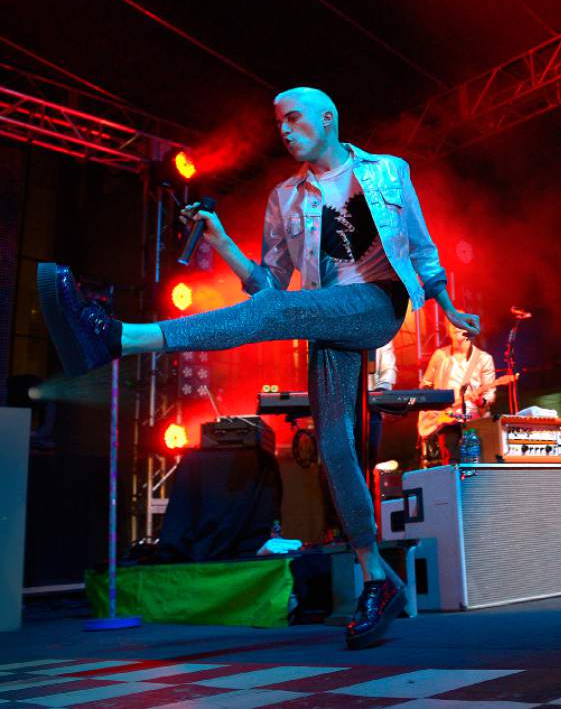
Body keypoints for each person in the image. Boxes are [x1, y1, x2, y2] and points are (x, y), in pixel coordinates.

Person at [36, 86, 480, 650]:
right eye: (278, 124)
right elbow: (268, 291)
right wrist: (221, 241)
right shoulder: (284, 200)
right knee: (336, 446)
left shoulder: (390, 171)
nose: (286, 130)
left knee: (287, 330)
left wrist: (448, 302)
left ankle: (119, 337)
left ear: (328, 117)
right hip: (324, 317)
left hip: (377, 305)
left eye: (294, 119)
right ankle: (377, 578)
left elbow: (420, 248)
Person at [419, 321, 496, 464]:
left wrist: (480, 401)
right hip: (447, 420)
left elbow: (490, 393)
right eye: (451, 324)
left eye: (459, 323)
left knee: (476, 463)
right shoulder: (440, 355)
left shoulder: (484, 359)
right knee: (451, 463)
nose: (455, 326)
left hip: (474, 421)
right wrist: (433, 409)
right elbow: (425, 385)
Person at [367, 339, 397, 467]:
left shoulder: (381, 336)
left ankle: (369, 483)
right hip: (342, 408)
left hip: (372, 410)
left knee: (370, 458)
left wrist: (381, 393)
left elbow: (389, 369)